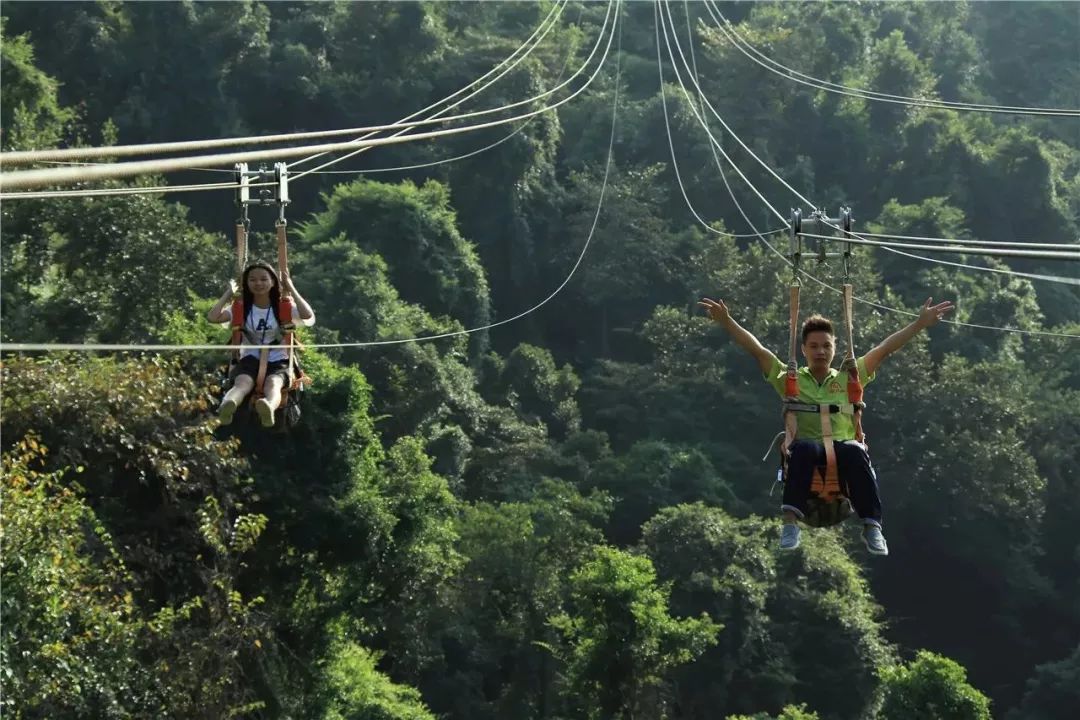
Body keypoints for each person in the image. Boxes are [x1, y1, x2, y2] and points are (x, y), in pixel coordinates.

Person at [699, 295, 955, 555]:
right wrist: (727, 321)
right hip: (806, 451)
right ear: (804, 349)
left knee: (856, 451)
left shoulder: (850, 378)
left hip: (843, 450)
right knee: (805, 450)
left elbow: (885, 349)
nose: (820, 351)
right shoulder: (791, 379)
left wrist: (920, 324)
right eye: (814, 346)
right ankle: (790, 523)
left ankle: (872, 525)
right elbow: (758, 351)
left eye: (826, 346)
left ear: (834, 348)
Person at [207, 262, 315, 427]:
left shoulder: (284, 306)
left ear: (273, 282)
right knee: (243, 382)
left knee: (273, 383)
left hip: (279, 358)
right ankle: (228, 405)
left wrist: (290, 287)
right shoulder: (241, 307)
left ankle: (268, 407)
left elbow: (307, 315)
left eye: (264, 279)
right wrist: (229, 292)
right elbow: (213, 317)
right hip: (249, 356)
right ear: (247, 284)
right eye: (252, 280)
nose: (258, 284)